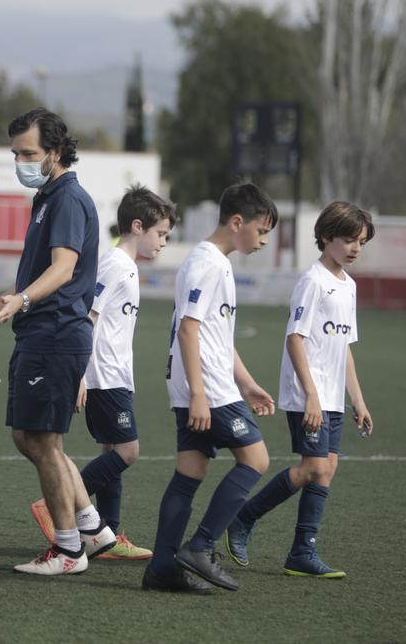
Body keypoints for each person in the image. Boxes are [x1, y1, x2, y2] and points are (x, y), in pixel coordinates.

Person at [0, 108, 118, 576]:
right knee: (31, 437)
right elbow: (34, 277)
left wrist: (21, 301)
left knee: (42, 440)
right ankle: (91, 527)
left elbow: (63, 269)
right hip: (43, 332)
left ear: (56, 152)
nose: (20, 161)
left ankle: (68, 551)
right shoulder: (48, 197)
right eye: (15, 153)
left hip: (57, 334)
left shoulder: (66, 198)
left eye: (28, 153)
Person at [225, 201, 376, 579]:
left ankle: (301, 553)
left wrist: (357, 399)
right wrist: (311, 394)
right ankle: (242, 518)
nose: (355, 248)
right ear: (325, 237)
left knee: (327, 468)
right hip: (307, 394)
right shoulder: (313, 281)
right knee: (313, 467)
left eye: (361, 242)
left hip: (332, 396)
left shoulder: (349, 286)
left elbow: (344, 350)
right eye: (348, 240)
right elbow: (295, 338)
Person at [142, 181, 278, 594]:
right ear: (237, 222)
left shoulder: (216, 262)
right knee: (255, 460)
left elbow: (216, 335)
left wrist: (249, 383)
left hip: (202, 382)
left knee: (191, 470)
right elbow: (188, 329)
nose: (264, 241)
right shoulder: (208, 263)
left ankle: (161, 569)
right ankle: (201, 546)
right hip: (208, 387)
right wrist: (199, 393)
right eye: (261, 231)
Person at [29, 185, 176, 561]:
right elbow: (87, 315)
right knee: (128, 451)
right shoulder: (114, 264)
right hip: (102, 375)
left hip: (116, 375)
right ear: (138, 226)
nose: (163, 242)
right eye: (161, 234)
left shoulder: (125, 266)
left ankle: (108, 535)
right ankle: (55, 503)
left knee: (111, 449)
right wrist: (80, 373)